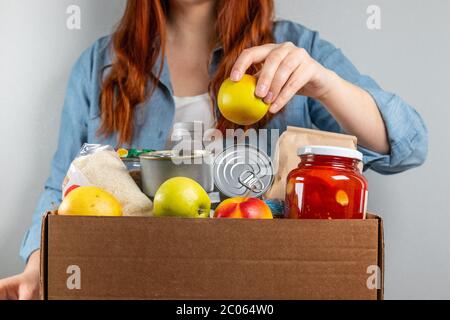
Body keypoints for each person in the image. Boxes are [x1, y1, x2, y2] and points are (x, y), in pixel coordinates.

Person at [0, 0, 427, 300]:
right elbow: (65, 186)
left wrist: (325, 84)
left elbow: (407, 146)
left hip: (262, 288)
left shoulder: (298, 51)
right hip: (136, 284)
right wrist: (40, 266)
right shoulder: (99, 66)